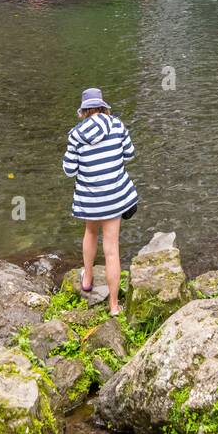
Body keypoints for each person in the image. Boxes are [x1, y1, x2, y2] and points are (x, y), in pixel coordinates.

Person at [63, 88, 136, 317]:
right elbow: (129, 154)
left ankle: (88, 278)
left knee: (91, 233)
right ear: (104, 106)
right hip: (114, 198)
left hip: (90, 200)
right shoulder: (117, 125)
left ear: (84, 110)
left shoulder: (75, 134)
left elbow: (69, 169)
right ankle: (114, 306)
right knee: (112, 250)